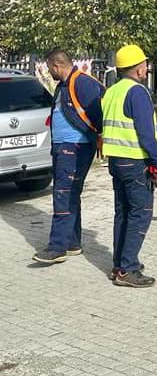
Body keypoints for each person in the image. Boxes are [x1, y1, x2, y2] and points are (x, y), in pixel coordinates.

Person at [32, 50, 105, 265]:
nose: (48, 71)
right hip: (65, 147)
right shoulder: (63, 85)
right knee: (70, 193)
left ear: (56, 66)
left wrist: (100, 135)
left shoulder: (82, 82)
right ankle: (72, 243)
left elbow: (98, 111)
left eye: (48, 67)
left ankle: (57, 248)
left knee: (63, 194)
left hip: (74, 148)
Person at [101, 44, 157, 287]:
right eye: (144, 64)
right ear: (138, 69)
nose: (147, 68)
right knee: (140, 214)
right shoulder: (137, 92)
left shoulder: (112, 91)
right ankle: (128, 269)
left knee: (123, 212)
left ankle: (119, 264)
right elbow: (146, 133)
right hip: (135, 161)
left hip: (115, 161)